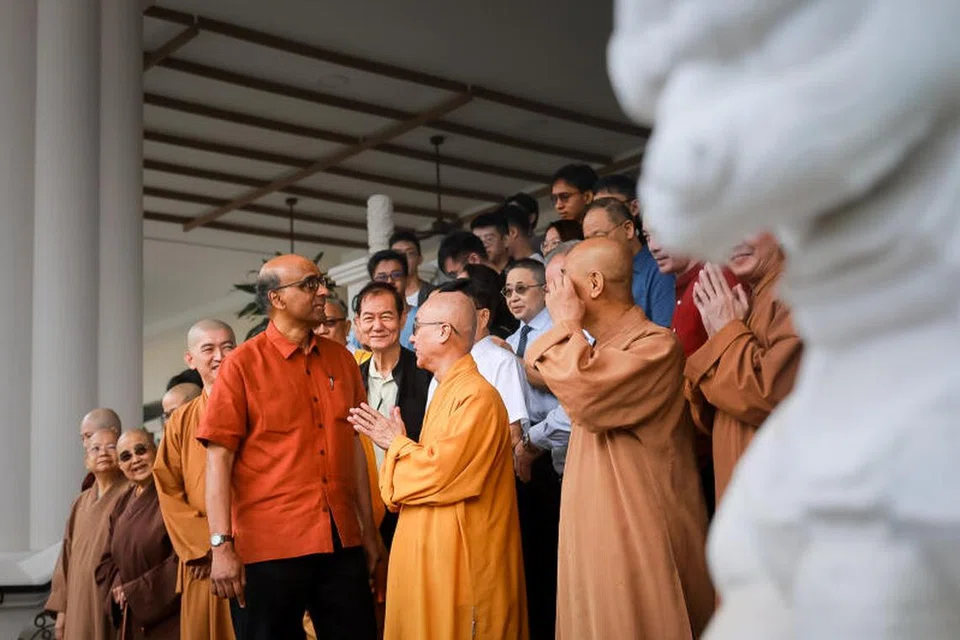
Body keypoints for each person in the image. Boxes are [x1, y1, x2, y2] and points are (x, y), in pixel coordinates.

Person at [526, 238, 715, 639]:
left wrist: (563, 325)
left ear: (593, 285)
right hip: (592, 534)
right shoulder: (596, 351)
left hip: (636, 536)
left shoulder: (656, 346)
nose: (553, 295)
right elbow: (542, 364)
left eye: (562, 282)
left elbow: (587, 393)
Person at [196, 254, 378, 639]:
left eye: (321, 281)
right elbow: (218, 461)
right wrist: (220, 546)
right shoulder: (240, 366)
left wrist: (370, 535)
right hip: (267, 549)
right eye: (310, 284)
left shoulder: (343, 361)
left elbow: (355, 452)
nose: (323, 291)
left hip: (340, 541)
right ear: (276, 298)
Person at [348, 291, 528, 640]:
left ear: (444, 331)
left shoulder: (476, 397)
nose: (411, 337)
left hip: (462, 564)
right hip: (434, 559)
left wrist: (394, 444)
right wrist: (402, 446)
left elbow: (440, 473)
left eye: (416, 328)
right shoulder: (447, 390)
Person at [684, 232, 803, 502]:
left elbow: (769, 395)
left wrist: (727, 333)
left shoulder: (799, 293)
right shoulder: (751, 299)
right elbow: (708, 412)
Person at [153, 320, 237, 640]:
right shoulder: (181, 421)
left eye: (228, 347)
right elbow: (167, 486)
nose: (220, 356)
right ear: (190, 360)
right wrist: (210, 543)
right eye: (209, 349)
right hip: (203, 560)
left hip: (257, 550)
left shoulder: (261, 404)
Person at [503, 258, 564, 640]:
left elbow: (573, 399)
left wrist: (533, 441)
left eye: (522, 288)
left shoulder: (563, 332)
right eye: (507, 290)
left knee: (554, 560)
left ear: (545, 289)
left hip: (556, 457)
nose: (513, 297)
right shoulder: (507, 342)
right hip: (519, 459)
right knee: (528, 562)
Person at [353, 282, 432, 549]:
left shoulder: (426, 374)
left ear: (403, 318)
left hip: (412, 501)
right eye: (369, 318)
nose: (377, 326)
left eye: (386, 316)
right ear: (357, 323)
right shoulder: (350, 379)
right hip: (363, 507)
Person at [429, 265, 529, 446]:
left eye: (460, 312)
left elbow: (513, 434)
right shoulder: (441, 366)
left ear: (483, 317)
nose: (449, 322)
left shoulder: (502, 362)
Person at [97, 429, 180, 639]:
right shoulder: (122, 504)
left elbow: (184, 556)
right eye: (126, 456)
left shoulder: (174, 493)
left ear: (155, 450)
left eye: (141, 450)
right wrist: (120, 588)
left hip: (169, 614)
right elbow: (106, 560)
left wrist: (137, 592)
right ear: (120, 465)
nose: (135, 460)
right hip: (131, 613)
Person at [47, 426, 127, 640]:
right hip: (77, 599)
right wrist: (62, 610)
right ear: (86, 461)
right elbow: (65, 559)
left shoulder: (131, 493)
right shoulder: (79, 502)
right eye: (95, 449)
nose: (103, 453)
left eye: (111, 447)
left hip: (110, 595)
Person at [582, 197, 676, 327]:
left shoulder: (659, 268)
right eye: (588, 242)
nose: (594, 247)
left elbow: (668, 338)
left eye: (599, 237)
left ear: (628, 229)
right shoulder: (601, 280)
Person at [367, 249, 417, 349]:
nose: (390, 281)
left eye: (396, 275)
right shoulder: (365, 324)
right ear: (373, 283)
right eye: (382, 277)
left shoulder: (421, 316)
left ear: (406, 278)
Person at [389, 230, 435, 307]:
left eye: (410, 253)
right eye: (397, 254)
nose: (403, 258)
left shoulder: (434, 294)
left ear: (420, 259)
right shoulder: (386, 295)